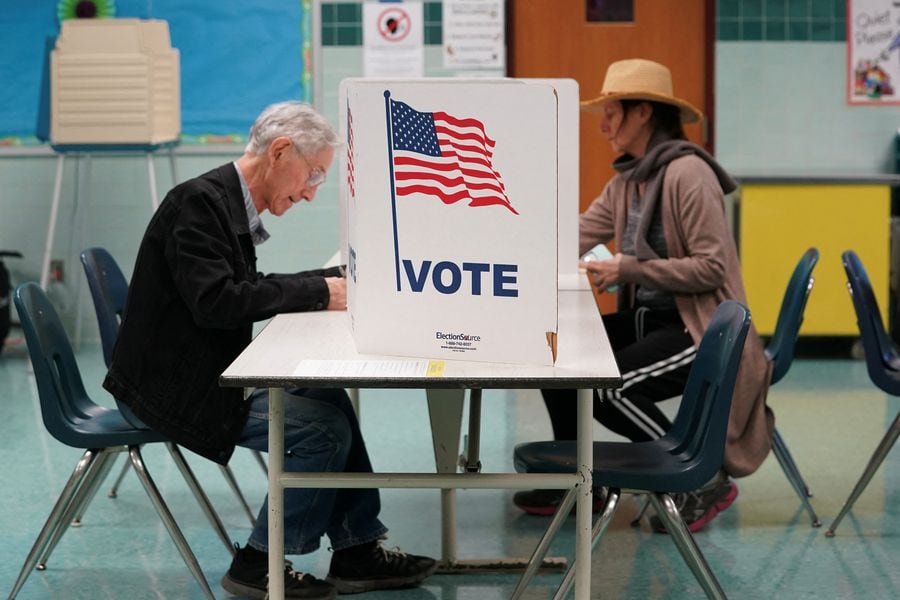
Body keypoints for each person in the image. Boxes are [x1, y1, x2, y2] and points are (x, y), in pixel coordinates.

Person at [103, 101, 437, 599]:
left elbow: (244, 286)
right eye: (313, 174)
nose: (309, 192)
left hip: (197, 374)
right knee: (321, 431)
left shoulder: (222, 203)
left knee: (329, 399)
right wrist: (321, 292)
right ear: (281, 152)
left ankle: (356, 549)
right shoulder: (197, 205)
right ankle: (258, 564)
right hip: (171, 390)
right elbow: (219, 302)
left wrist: (321, 282)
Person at [513, 59, 773, 533]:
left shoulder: (689, 175)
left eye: (612, 110)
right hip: (656, 318)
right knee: (556, 358)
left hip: (701, 329)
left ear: (644, 113)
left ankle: (699, 479)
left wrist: (628, 266)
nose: (603, 123)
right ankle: (580, 481)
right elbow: (568, 234)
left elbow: (712, 267)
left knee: (609, 390)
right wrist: (501, 243)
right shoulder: (628, 180)